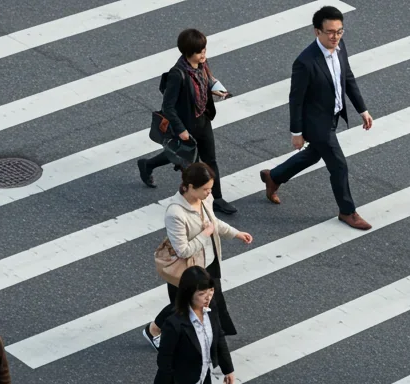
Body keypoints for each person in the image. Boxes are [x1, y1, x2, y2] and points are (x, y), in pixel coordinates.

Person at [259, 5, 374, 231]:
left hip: (332, 116)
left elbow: (347, 77)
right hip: (316, 122)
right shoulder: (305, 62)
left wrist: (362, 109)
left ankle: (274, 176)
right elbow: (296, 99)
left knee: (313, 155)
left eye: (339, 31)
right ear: (317, 32)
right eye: (330, 32)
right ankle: (347, 211)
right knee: (339, 165)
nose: (335, 36)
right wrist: (297, 133)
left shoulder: (340, 48)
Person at [142, 162, 253, 349]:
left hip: (209, 260)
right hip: (189, 268)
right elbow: (182, 250)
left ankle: (210, 339)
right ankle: (155, 330)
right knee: (183, 304)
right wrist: (206, 233)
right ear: (189, 187)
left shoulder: (204, 199)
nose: (209, 193)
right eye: (205, 189)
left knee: (208, 300)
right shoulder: (175, 213)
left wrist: (235, 233)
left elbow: (213, 221)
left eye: (210, 189)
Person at [136, 29, 238, 216]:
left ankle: (217, 198)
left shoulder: (202, 65)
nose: (204, 55)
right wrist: (180, 129)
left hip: (203, 120)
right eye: (200, 52)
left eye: (204, 50)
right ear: (188, 52)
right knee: (186, 159)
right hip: (186, 125)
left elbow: (208, 82)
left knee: (210, 160)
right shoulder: (178, 74)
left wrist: (218, 91)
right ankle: (149, 165)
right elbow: (168, 106)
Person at [148, 267, 235, 384]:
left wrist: (228, 369)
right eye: (202, 293)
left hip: (202, 378)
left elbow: (219, 337)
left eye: (210, 291)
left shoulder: (210, 310)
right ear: (188, 294)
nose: (208, 297)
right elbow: (165, 359)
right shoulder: (175, 323)